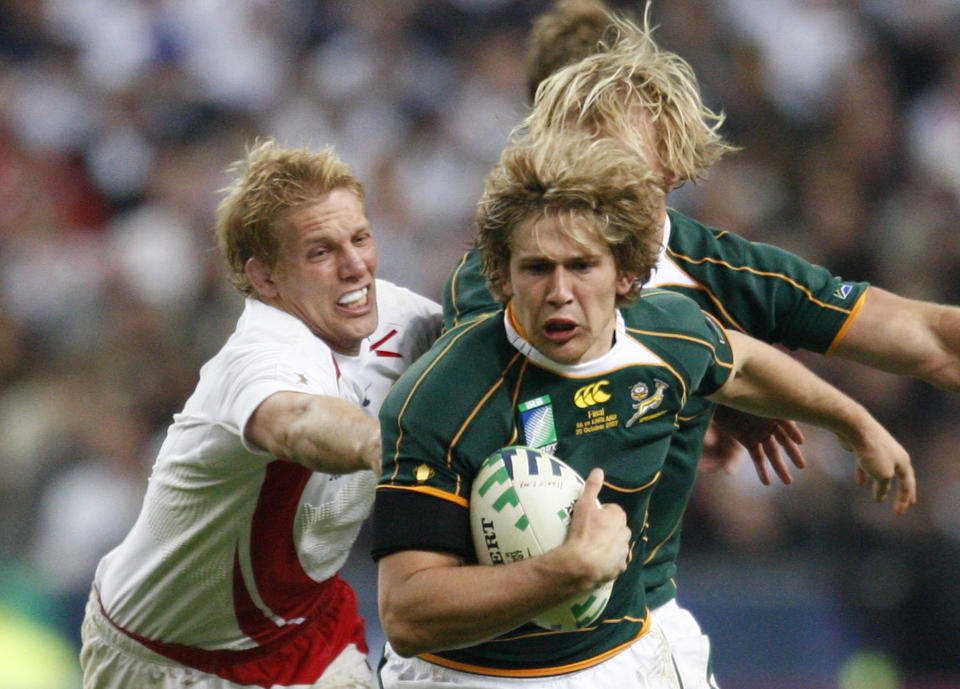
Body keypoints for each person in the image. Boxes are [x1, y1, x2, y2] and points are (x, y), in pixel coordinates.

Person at [441, 3, 960, 685]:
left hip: (644, 620)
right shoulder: (503, 276)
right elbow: (565, 379)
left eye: (612, 153)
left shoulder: (717, 267)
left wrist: (712, 391)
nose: (589, 175)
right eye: (576, 149)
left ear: (670, 166)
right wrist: (709, 389)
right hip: (505, 638)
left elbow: (927, 337)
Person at [373, 131, 914, 688]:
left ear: (627, 272)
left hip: (619, 662)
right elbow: (409, 612)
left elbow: (744, 363)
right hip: (470, 676)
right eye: (536, 268)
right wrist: (566, 573)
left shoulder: (667, 333)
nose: (559, 291)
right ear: (502, 275)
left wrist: (854, 423)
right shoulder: (440, 396)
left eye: (582, 266)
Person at [78, 139, 441, 689]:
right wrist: (379, 444)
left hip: (304, 633)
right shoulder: (258, 356)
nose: (354, 266)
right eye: (320, 252)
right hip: (166, 660)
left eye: (360, 239)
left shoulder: (398, 318)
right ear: (267, 278)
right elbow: (295, 419)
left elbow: (488, 358)